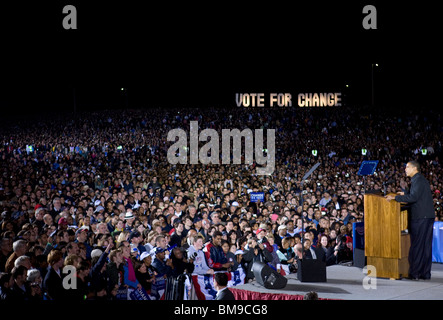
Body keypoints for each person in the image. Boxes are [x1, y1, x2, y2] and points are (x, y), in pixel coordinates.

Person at [386, 160, 436, 280]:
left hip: (420, 217)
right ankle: (425, 273)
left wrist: (395, 197)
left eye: (407, 167)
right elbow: (417, 195)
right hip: (426, 216)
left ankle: (415, 274)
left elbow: (413, 197)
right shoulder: (420, 179)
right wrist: (404, 193)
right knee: (425, 246)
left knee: (417, 246)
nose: (405, 169)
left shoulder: (417, 180)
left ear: (414, 168)